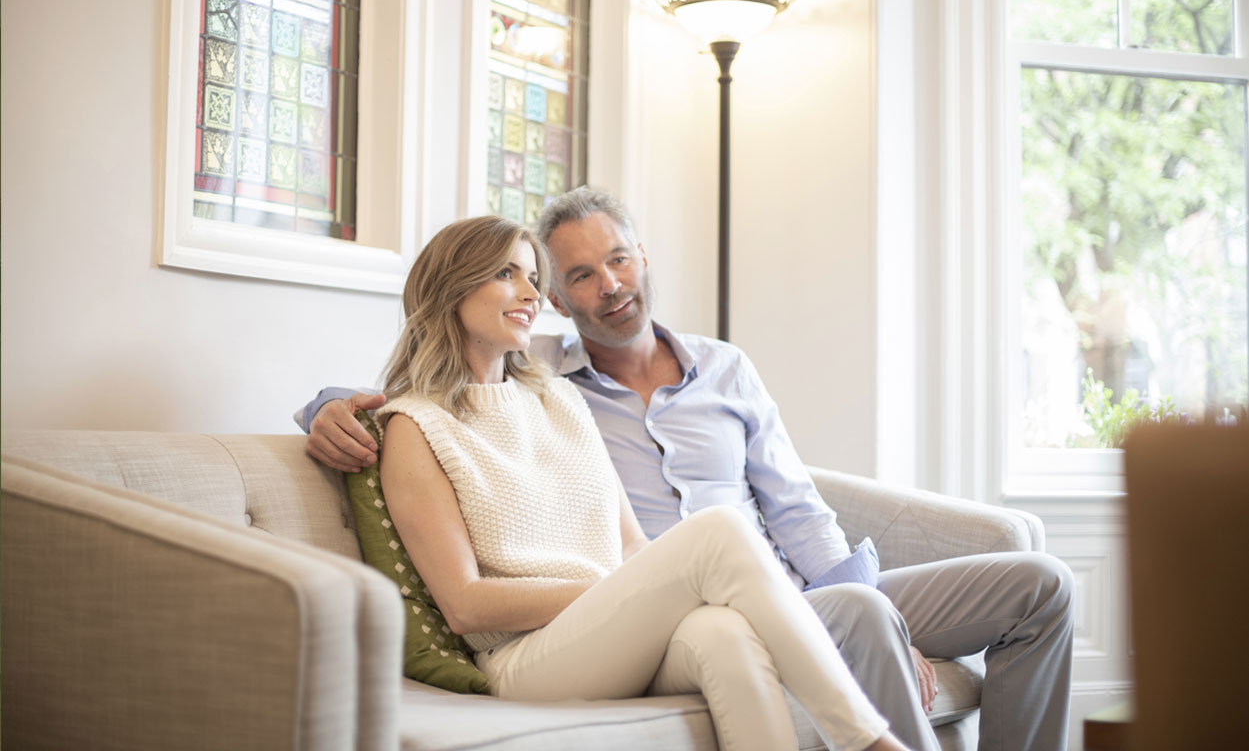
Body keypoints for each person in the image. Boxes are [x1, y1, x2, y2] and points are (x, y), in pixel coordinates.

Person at [302, 189, 1075, 751]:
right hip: (610, 612)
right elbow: (426, 402)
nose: (600, 284)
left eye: (615, 259)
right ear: (562, 308)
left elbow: (797, 510)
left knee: (1036, 582)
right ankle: (876, 744)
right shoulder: (532, 378)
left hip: (751, 594)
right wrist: (333, 410)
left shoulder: (688, 375)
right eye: (566, 276)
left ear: (642, 258)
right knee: (721, 546)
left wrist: (850, 591)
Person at [368, 214, 910, 751]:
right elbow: (466, 606)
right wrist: (620, 595)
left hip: (610, 627)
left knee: (727, 636)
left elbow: (631, 546)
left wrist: (638, 594)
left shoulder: (558, 398)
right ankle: (868, 740)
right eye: (508, 274)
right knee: (716, 530)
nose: (531, 293)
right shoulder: (417, 427)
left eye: (535, 277)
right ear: (451, 289)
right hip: (524, 657)